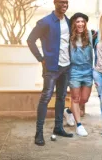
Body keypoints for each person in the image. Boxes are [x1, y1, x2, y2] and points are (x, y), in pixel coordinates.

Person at [27, 0, 73, 146]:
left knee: (61, 97)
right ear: (54, 3)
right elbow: (30, 40)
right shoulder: (45, 22)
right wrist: (41, 59)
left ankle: (58, 128)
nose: (64, 4)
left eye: (66, 2)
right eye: (61, 2)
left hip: (66, 66)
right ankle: (39, 133)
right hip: (52, 67)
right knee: (46, 97)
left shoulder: (69, 21)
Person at [61, 12, 94, 136]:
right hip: (74, 71)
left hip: (88, 71)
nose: (80, 24)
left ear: (85, 23)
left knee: (84, 99)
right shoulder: (70, 37)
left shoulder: (90, 35)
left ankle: (68, 111)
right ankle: (79, 125)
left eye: (82, 22)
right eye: (77, 21)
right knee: (75, 98)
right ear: (74, 23)